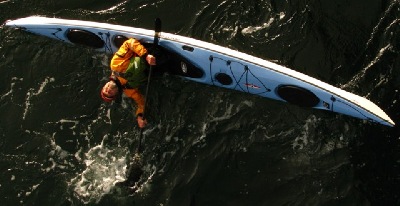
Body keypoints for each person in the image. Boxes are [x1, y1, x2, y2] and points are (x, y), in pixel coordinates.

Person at [100, 38, 156, 128]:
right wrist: (139, 116)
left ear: (105, 85)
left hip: (147, 51)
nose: (108, 90)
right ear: (116, 93)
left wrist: (145, 55)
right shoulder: (129, 90)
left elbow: (129, 42)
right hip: (153, 67)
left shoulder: (115, 64)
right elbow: (142, 103)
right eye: (109, 93)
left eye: (105, 89)